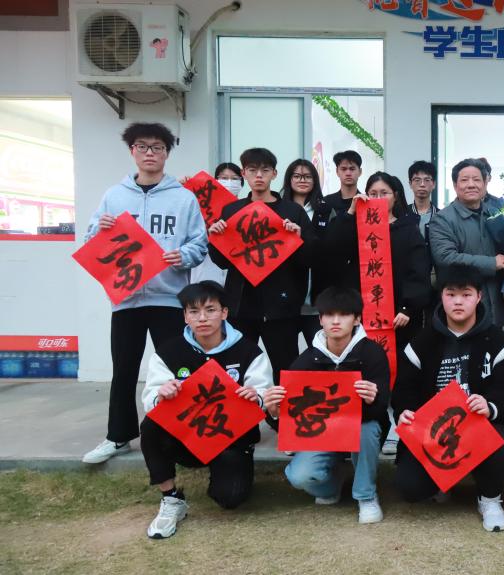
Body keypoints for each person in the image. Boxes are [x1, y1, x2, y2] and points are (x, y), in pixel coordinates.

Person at [82, 122, 208, 465]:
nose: (150, 153)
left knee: (179, 368)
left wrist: (183, 255)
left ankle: (184, 433)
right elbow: (91, 241)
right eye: (143, 146)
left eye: (157, 147)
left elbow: (200, 243)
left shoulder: (183, 198)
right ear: (132, 151)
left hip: (170, 298)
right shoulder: (114, 196)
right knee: (124, 369)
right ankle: (118, 436)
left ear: (167, 153)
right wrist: (98, 230)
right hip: (126, 299)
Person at [138, 281, 273, 539]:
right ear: (185, 316)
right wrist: (161, 393)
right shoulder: (168, 352)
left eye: (210, 310)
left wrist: (256, 396)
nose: (202, 318)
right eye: (194, 311)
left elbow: (265, 394)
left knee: (230, 498)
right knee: (151, 425)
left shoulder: (248, 351)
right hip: (186, 438)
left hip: (230, 440)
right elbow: (150, 399)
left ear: (224, 312)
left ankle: (227, 476)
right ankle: (171, 498)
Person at [391, 265, 504, 532]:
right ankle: (442, 481)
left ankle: (490, 498)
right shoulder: (422, 341)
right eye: (451, 294)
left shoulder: (498, 340)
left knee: (499, 441)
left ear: (479, 297)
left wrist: (490, 406)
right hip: (435, 430)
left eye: (466, 294)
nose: (458, 301)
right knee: (409, 487)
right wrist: (405, 410)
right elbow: (404, 388)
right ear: (441, 297)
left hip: (478, 425)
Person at [263, 287, 390, 522]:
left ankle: (366, 496)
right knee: (299, 477)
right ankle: (331, 485)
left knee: (367, 429)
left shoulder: (373, 353)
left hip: (361, 426)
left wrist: (374, 397)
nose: (336, 321)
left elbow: (382, 409)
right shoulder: (306, 360)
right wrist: (275, 411)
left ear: (357, 319)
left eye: (344, 315)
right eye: (329, 315)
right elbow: (291, 417)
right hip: (321, 433)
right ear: (320, 319)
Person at [207, 148, 314, 383]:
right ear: (244, 173)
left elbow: (309, 259)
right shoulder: (233, 210)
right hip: (241, 305)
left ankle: (281, 409)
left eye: (265, 170)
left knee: (285, 369)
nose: (259, 175)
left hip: (281, 307)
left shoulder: (292, 211)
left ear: (274, 174)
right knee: (237, 369)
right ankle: (244, 409)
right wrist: (214, 239)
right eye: (252, 170)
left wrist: (298, 240)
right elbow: (222, 262)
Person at [328, 171, 432, 351]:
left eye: (384, 193)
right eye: (373, 194)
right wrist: (351, 212)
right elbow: (333, 249)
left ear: (395, 196)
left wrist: (407, 307)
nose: (378, 198)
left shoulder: (407, 229)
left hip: (399, 313)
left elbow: (418, 271)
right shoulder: (355, 226)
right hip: (362, 311)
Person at [429, 158, 504, 328]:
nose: (471, 185)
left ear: (485, 183)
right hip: (461, 309)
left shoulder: (495, 215)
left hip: (497, 305)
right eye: (465, 180)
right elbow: (445, 257)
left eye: (476, 180)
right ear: (455, 185)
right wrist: (492, 263)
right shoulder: (442, 219)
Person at [281, 158, 332, 346]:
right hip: (286, 298)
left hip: (318, 299)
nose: (302, 180)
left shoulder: (325, 210)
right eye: (297, 176)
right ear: (289, 180)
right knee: (286, 356)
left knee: (322, 352)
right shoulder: (279, 209)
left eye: (307, 176)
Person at [190, 162, 244, 285]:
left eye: (234, 178)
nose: (229, 182)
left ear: (241, 183)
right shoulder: (201, 206)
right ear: (215, 181)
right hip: (207, 267)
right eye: (224, 178)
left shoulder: (246, 209)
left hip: (235, 267)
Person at [323, 150, 363, 215]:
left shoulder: (365, 202)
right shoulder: (327, 202)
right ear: (337, 171)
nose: (348, 173)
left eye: (352, 169)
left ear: (360, 171)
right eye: (344, 169)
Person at [407, 160, 439, 239]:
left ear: (434, 184)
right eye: (417, 180)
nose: (422, 184)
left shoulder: (442, 216)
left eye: (427, 180)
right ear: (410, 184)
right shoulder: (403, 214)